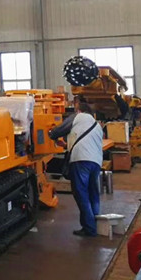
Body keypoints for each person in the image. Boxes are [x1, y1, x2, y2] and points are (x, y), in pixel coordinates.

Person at [49, 97, 104, 237]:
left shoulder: (78, 117)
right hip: (96, 162)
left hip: (81, 161)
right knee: (93, 194)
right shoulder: (96, 125)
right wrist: (66, 145)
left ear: (79, 110)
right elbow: (84, 141)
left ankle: (89, 228)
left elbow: (57, 131)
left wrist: (50, 133)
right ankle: (95, 224)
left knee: (81, 194)